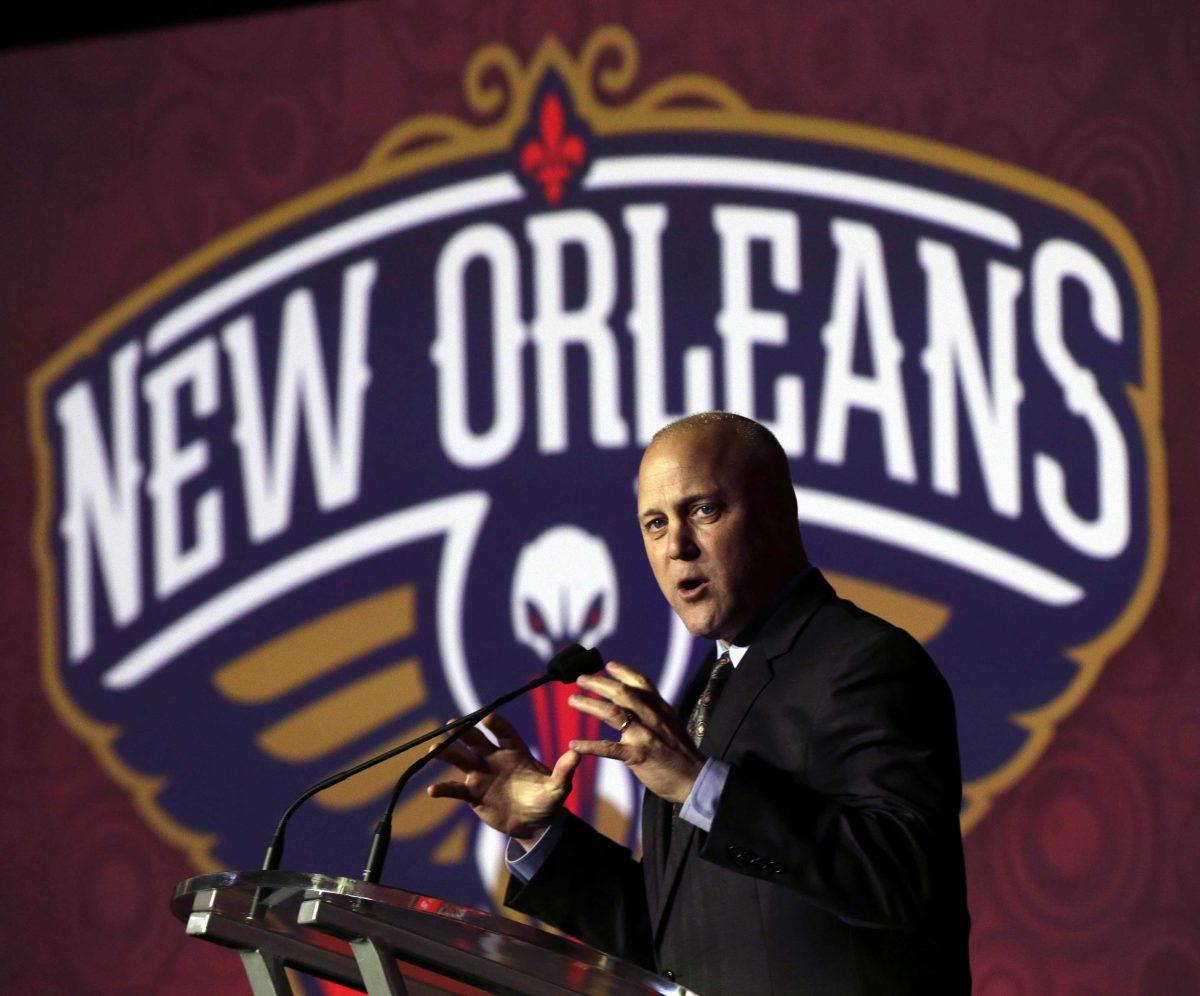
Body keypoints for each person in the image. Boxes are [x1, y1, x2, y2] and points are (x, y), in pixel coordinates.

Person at [429, 412, 971, 994]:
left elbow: (902, 880)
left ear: (779, 511)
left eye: (704, 510)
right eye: (655, 524)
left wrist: (698, 783)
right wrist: (544, 835)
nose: (677, 547)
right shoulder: (708, 688)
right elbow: (674, 937)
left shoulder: (862, 662)